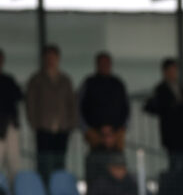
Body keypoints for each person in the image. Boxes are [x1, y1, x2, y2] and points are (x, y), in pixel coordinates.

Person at [25, 44, 76, 181]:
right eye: (48, 58)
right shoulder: (36, 79)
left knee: (60, 160)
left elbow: (72, 103)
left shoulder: (65, 80)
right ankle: (45, 192)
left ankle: (60, 191)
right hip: (43, 127)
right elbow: (30, 103)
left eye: (53, 58)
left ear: (58, 59)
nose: (50, 61)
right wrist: (34, 122)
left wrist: (71, 123)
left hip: (62, 127)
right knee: (44, 162)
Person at [144, 58, 183, 185]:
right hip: (171, 133)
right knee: (175, 162)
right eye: (170, 71)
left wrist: (181, 105)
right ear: (165, 72)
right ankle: (175, 188)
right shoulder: (161, 89)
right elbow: (152, 107)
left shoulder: (179, 87)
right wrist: (170, 107)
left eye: (174, 71)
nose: (173, 73)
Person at [79, 51, 129, 152]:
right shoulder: (89, 82)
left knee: (117, 160)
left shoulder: (118, 83)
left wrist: (122, 128)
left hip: (117, 132)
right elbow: (80, 106)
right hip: (94, 132)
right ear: (97, 65)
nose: (104, 65)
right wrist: (86, 129)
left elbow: (126, 107)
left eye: (107, 63)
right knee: (97, 159)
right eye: (101, 63)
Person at [0, 48, 24, 179]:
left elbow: (19, 96)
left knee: (13, 161)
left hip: (10, 125)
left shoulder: (8, 80)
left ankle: (15, 194)